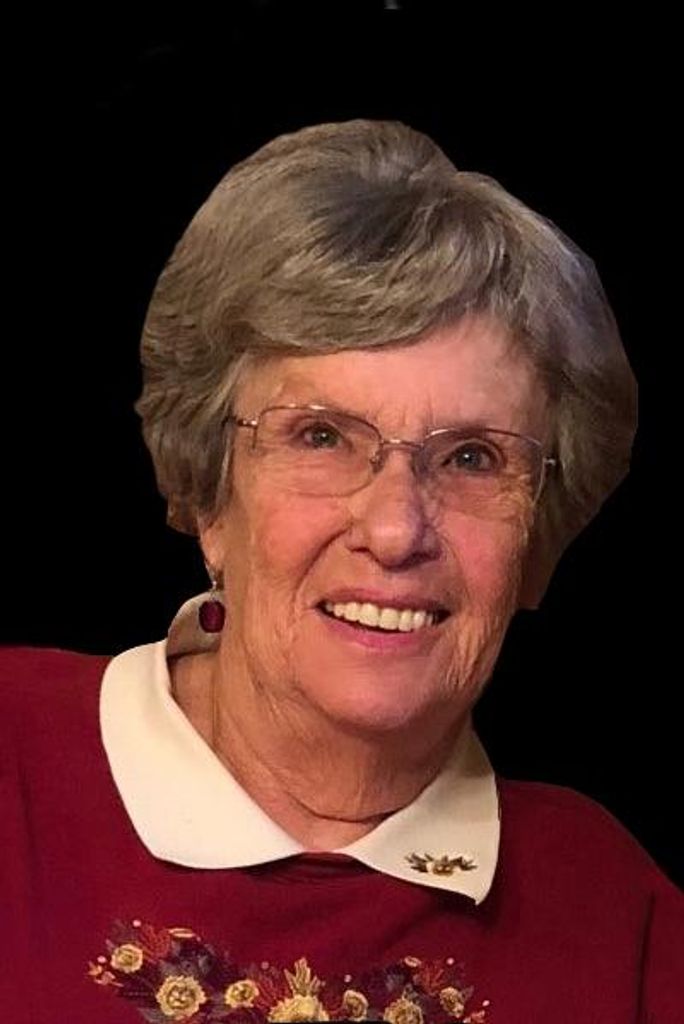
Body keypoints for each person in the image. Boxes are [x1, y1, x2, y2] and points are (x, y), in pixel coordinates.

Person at [3, 119, 681, 1024]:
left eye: (472, 458)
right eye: (321, 437)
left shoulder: (619, 919)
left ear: (539, 541)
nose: (396, 531)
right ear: (209, 494)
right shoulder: (12, 758)